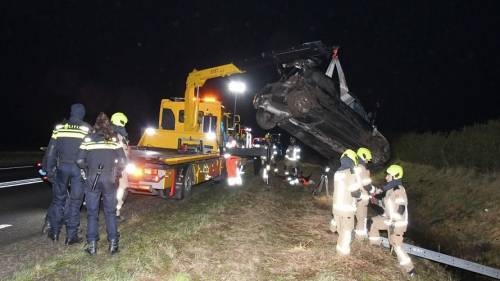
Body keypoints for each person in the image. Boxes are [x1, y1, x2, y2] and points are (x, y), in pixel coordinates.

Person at [77, 113, 126, 255]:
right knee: (110, 212)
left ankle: (92, 246)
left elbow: (79, 161)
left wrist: (88, 170)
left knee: (92, 213)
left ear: (96, 125)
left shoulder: (88, 139)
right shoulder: (114, 139)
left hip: (93, 178)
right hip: (109, 179)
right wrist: (116, 172)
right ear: (108, 125)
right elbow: (123, 161)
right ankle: (113, 244)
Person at [44, 103, 90, 244]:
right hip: (78, 169)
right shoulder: (87, 129)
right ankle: (71, 236)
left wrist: (49, 168)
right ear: (82, 114)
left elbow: (51, 150)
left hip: (61, 167)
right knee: (75, 202)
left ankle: (55, 232)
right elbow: (90, 151)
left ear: (71, 112)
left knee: (59, 200)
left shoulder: (60, 128)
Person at [368, 164, 415, 276]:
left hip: (397, 223)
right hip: (389, 220)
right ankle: (375, 248)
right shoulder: (389, 190)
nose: (386, 177)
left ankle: (410, 270)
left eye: (388, 175)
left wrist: (394, 223)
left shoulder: (398, 189)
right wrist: (377, 202)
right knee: (372, 222)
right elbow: (387, 206)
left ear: (394, 176)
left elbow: (401, 208)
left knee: (396, 246)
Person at [330, 149, 361, 255]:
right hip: (347, 209)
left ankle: (339, 250)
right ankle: (343, 255)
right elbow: (356, 193)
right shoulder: (352, 173)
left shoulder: (337, 172)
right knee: (347, 232)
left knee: (341, 231)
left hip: (336, 208)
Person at [354, 147, 376, 239]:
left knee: (352, 216)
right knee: (361, 219)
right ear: (363, 157)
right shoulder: (362, 168)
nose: (367, 161)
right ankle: (360, 239)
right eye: (367, 159)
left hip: (354, 197)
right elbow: (367, 185)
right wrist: (374, 191)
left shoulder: (354, 167)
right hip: (362, 198)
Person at [110, 112, 129, 220]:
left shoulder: (107, 134)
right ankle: (116, 212)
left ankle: (114, 211)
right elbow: (122, 153)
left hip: (110, 167)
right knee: (122, 189)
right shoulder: (119, 136)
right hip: (119, 168)